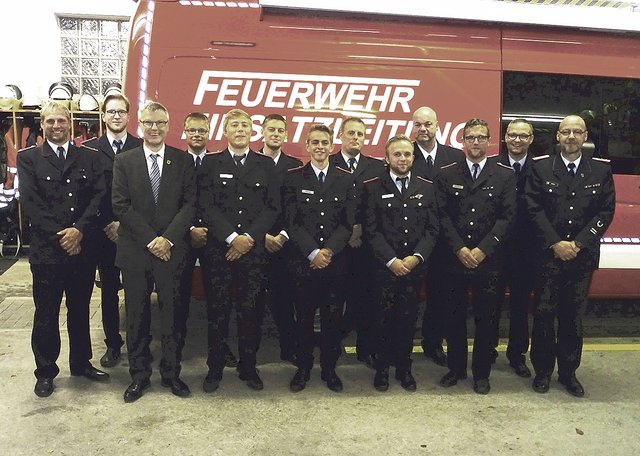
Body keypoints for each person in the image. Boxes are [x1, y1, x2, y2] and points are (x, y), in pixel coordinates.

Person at [17, 100, 109, 397]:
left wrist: (79, 231)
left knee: (80, 309)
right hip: (48, 251)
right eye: (50, 121)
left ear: (70, 123)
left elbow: (97, 198)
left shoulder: (90, 157)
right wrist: (63, 235)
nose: (57, 126)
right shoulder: (28, 158)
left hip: (81, 248)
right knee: (46, 313)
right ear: (42, 125)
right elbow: (31, 203)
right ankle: (45, 371)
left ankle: (81, 363)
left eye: (62, 121)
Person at [525, 114, 615, 397]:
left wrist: (577, 244)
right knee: (543, 314)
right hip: (547, 256)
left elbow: (605, 211)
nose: (571, 137)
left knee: (572, 317)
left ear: (585, 136)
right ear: (558, 137)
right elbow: (532, 208)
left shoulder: (600, 171)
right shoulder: (540, 169)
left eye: (577, 132)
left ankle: (568, 373)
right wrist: (555, 243)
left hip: (581, 257)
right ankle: (542, 372)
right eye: (566, 132)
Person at [112, 101, 196, 403]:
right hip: (136, 251)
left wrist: (168, 239)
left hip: (171, 251)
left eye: (160, 122)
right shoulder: (125, 161)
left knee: (172, 316)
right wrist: (152, 239)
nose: (154, 128)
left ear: (168, 125)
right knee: (137, 315)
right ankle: (139, 376)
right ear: (140, 125)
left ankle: (172, 374)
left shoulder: (182, 161)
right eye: (148, 122)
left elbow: (189, 205)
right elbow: (120, 205)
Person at [197, 108, 279, 392]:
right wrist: (232, 237)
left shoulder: (265, 164)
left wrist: (248, 239)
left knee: (251, 311)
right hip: (219, 252)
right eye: (234, 125)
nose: (241, 129)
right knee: (217, 311)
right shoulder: (209, 164)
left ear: (252, 130)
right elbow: (205, 206)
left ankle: (248, 367)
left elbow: (272, 207)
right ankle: (215, 368)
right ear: (225, 131)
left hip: (253, 253)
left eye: (245, 124)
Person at [436, 118, 516, 394]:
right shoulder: (447, 173)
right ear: (463, 140)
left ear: (489, 141)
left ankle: (481, 373)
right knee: (454, 317)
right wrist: (459, 248)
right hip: (454, 258)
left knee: (487, 319)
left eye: (481, 137)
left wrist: (483, 249)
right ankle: (456, 369)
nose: (476, 142)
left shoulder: (504, 174)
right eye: (471, 137)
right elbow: (442, 216)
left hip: (489, 260)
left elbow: (507, 217)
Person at [283, 124, 355, 393]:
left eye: (325, 142)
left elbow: (347, 224)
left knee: (332, 320)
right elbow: (292, 222)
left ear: (331, 144)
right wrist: (313, 252)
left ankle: (329, 369)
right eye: (315, 142)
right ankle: (303, 368)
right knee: (302, 319)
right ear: (307, 146)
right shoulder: (293, 178)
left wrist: (328, 252)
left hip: (335, 263)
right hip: (303, 263)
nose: (320, 147)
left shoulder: (345, 178)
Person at [363, 135, 439, 392]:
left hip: (413, 269)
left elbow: (432, 229)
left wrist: (416, 257)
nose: (403, 159)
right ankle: (382, 370)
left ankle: (404, 369)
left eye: (407, 154)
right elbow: (371, 231)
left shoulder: (427, 187)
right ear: (387, 158)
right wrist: (392, 260)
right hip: (384, 269)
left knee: (408, 321)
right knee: (382, 320)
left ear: (413, 158)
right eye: (397, 154)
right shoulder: (372, 187)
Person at [83, 92, 142, 368]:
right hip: (103, 233)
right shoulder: (90, 149)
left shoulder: (141, 146)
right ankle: (113, 345)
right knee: (108, 291)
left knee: (137, 292)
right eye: (111, 112)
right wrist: (109, 224)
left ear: (128, 116)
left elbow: (146, 194)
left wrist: (125, 223)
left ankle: (139, 345)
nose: (116, 116)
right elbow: (89, 193)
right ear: (103, 116)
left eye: (121, 112)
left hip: (134, 233)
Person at [178, 112, 239, 370]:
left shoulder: (218, 162)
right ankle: (177, 348)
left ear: (210, 132)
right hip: (182, 237)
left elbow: (222, 204)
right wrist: (190, 228)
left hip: (215, 240)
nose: (197, 134)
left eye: (202, 130)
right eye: (192, 130)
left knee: (218, 298)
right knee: (178, 297)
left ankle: (220, 348)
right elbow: (173, 202)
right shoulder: (176, 162)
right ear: (184, 131)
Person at [411, 106, 465, 367]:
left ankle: (433, 343)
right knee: (407, 297)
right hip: (412, 240)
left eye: (428, 124)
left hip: (445, 242)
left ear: (437, 126)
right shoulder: (404, 154)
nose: (423, 129)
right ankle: (398, 346)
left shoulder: (455, 156)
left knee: (441, 297)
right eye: (419, 124)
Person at [329, 117, 385, 369]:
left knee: (368, 300)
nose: (355, 137)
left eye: (360, 134)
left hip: (367, 247)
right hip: (335, 245)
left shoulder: (377, 167)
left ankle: (368, 348)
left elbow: (381, 205)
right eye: (350, 133)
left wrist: (360, 229)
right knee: (333, 299)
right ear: (341, 135)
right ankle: (332, 349)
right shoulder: (327, 163)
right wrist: (346, 231)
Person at [256, 114, 302, 363]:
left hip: (285, 245)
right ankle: (252, 352)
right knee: (252, 300)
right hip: (254, 242)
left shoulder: (295, 166)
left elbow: (297, 208)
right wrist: (261, 235)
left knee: (285, 300)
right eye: (271, 129)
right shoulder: (249, 161)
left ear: (286, 135)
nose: (275, 133)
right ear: (262, 132)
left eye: (280, 130)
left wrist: (283, 235)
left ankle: (288, 347)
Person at [492, 119, 536, 378]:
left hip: (526, 251)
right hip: (495, 248)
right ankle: (487, 349)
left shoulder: (542, 168)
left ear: (531, 139)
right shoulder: (491, 165)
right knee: (490, 305)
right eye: (512, 135)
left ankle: (517, 354)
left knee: (520, 306)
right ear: (505, 138)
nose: (517, 140)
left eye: (523, 136)